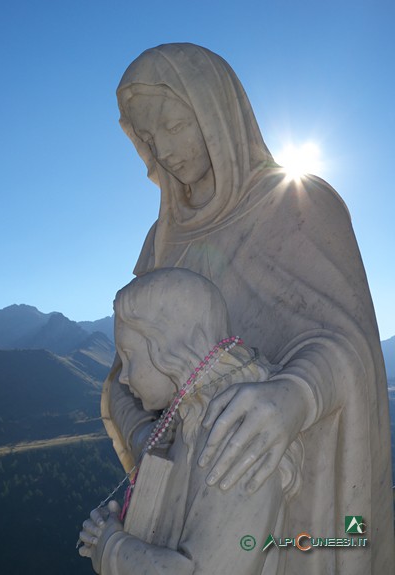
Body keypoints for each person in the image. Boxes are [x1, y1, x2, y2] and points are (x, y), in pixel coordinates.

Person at [100, 43, 394, 573]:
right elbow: (126, 373)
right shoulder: (161, 240)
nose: (163, 150)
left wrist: (294, 397)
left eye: (174, 125)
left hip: (293, 508)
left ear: (216, 112)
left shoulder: (303, 204)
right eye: (148, 137)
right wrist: (150, 438)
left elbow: (352, 348)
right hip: (180, 510)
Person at [80, 268, 302, 575]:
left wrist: (111, 548)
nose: (125, 375)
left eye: (130, 356)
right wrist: (112, 530)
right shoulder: (190, 421)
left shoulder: (233, 437)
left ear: (172, 349)